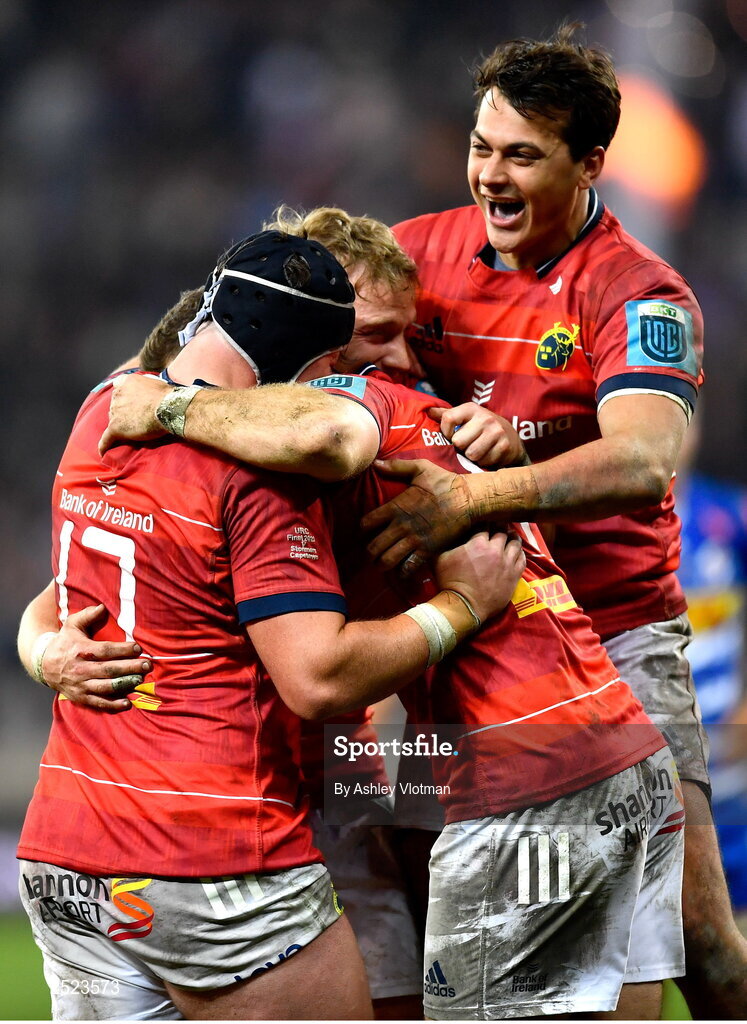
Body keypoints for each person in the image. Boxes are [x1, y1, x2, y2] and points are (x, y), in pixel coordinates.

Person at [99, 285, 687, 1019]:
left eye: (407, 333)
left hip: (519, 775)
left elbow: (315, 657)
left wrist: (165, 407)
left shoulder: (350, 413)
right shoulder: (447, 425)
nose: (404, 356)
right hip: (618, 752)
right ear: (318, 337)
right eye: (379, 333)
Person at [343, 23, 744, 1017]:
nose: (493, 175)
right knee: (413, 874)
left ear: (590, 163)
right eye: (483, 148)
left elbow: (645, 457)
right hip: (475, 627)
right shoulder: (420, 253)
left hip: (614, 631)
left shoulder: (639, 291)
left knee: (699, 934)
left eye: (523, 155)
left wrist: (482, 492)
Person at [17, 230, 517, 1021]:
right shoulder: (265, 471)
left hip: (71, 846)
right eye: (373, 340)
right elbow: (317, 677)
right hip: (217, 844)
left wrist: (43, 651)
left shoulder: (102, 411)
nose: (399, 363)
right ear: (321, 361)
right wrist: (463, 605)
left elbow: (63, 593)